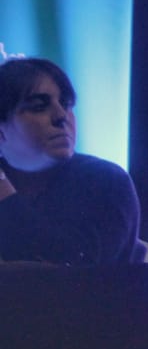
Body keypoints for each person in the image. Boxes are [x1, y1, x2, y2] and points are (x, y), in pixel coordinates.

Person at [0, 57, 140, 264]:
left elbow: (73, 267)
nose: (61, 116)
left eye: (66, 104)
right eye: (39, 106)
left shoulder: (107, 181)